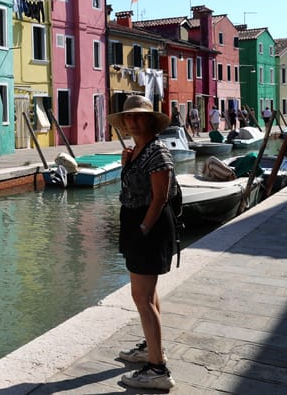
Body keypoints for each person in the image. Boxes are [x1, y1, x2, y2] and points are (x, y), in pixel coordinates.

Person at [107, 95, 177, 391]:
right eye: (129, 117)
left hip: (150, 226)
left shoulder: (157, 151)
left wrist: (143, 229)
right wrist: (127, 163)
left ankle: (158, 369)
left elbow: (161, 197)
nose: (133, 121)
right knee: (149, 293)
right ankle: (152, 349)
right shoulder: (137, 151)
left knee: (141, 298)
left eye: (139, 116)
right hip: (138, 225)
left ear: (150, 120)